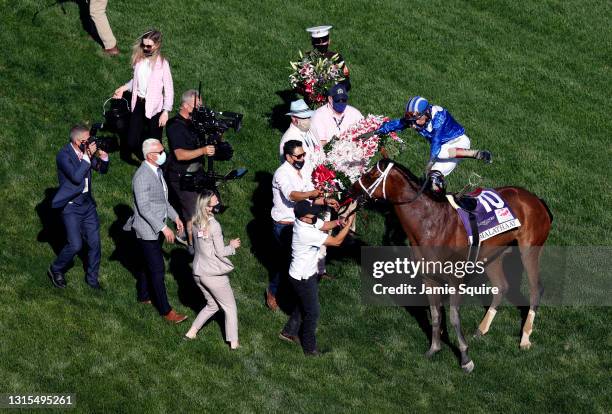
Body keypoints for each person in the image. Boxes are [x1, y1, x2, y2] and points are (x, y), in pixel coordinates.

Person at [267, 140, 339, 310]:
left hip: (300, 222)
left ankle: (294, 293)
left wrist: (325, 200)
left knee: (298, 261)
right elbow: (292, 196)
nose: (302, 158)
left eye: (303, 154)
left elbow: (310, 199)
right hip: (284, 225)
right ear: (289, 157)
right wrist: (311, 193)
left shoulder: (301, 171)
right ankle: (273, 292)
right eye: (299, 156)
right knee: (285, 262)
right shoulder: (282, 174)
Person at [123, 138, 187, 323]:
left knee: (146, 265)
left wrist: (175, 217)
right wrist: (164, 227)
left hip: (156, 227)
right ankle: (166, 311)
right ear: (150, 156)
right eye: (160, 151)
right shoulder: (142, 177)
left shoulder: (156, 171)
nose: (163, 153)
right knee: (158, 270)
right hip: (147, 231)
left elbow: (162, 201)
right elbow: (144, 208)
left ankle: (143, 296)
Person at [279, 200, 355, 356]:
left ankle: (288, 332)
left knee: (303, 304)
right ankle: (309, 349)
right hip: (302, 278)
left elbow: (324, 225)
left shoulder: (309, 221)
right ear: (303, 218)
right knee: (312, 312)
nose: (314, 215)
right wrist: (349, 225)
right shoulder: (305, 232)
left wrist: (340, 221)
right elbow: (336, 241)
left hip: (306, 273)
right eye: (311, 214)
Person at [376, 96, 493, 193]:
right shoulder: (418, 118)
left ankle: (475, 153)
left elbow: (436, 141)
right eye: (411, 121)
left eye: (416, 120)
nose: (413, 124)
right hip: (444, 150)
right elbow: (398, 123)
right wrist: (378, 130)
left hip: (459, 142)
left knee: (439, 153)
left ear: (426, 113)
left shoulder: (439, 116)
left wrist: (430, 162)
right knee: (433, 179)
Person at [47, 125, 109, 289]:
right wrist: (88, 157)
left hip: (87, 205)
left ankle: (92, 279)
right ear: (76, 141)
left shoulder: (86, 152)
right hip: (71, 207)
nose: (90, 143)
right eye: (86, 140)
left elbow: (101, 169)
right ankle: (56, 268)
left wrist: (104, 158)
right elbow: (76, 177)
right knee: (75, 245)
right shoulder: (63, 155)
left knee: (95, 244)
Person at [184, 191, 240, 349]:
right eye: (215, 204)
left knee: (212, 305)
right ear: (207, 208)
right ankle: (234, 343)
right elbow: (220, 252)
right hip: (213, 274)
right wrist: (232, 246)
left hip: (197, 272)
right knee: (230, 307)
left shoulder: (194, 222)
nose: (218, 205)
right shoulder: (214, 225)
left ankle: (192, 331)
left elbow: (195, 245)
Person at [166, 89, 216, 252]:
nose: (201, 109)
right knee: (194, 214)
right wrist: (203, 151)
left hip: (197, 172)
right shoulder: (175, 125)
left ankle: (202, 240)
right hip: (181, 175)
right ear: (187, 106)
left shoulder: (196, 123)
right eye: (198, 105)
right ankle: (193, 246)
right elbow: (179, 155)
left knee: (208, 205)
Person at [113, 29, 174, 159]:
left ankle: (159, 163)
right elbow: (135, 81)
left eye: (149, 46)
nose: (145, 48)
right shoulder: (139, 60)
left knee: (155, 140)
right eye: (143, 45)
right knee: (131, 141)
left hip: (155, 108)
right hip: (139, 104)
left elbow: (169, 89)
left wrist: (165, 111)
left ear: (157, 45)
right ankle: (145, 157)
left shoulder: (163, 64)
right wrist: (123, 88)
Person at [306, 25, 351, 91]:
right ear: (329, 41)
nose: (321, 44)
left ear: (312, 42)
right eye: (319, 41)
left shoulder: (307, 58)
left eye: (322, 41)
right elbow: (346, 82)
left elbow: (346, 82)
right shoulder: (336, 57)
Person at [278, 99, 319, 169]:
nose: (308, 120)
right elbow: (291, 168)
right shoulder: (288, 139)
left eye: (309, 117)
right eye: (304, 117)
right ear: (294, 118)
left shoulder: (310, 128)